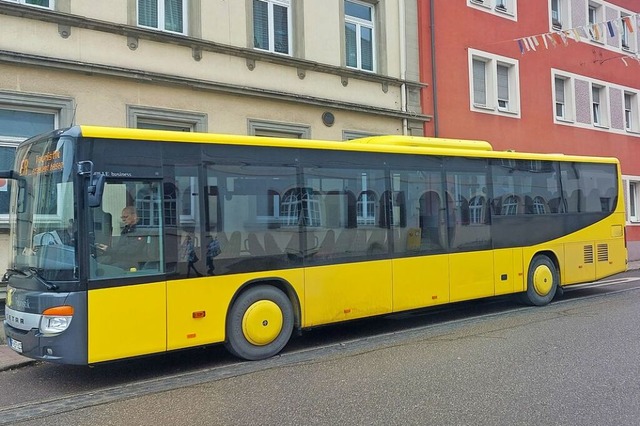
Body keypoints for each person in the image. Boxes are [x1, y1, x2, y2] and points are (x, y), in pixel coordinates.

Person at [98, 206, 147, 270]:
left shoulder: (140, 230)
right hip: (121, 258)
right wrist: (106, 250)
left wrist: (110, 250)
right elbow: (119, 246)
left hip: (133, 261)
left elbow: (132, 250)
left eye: (126, 217)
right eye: (122, 217)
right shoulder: (126, 230)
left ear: (134, 216)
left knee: (111, 269)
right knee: (99, 263)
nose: (123, 220)